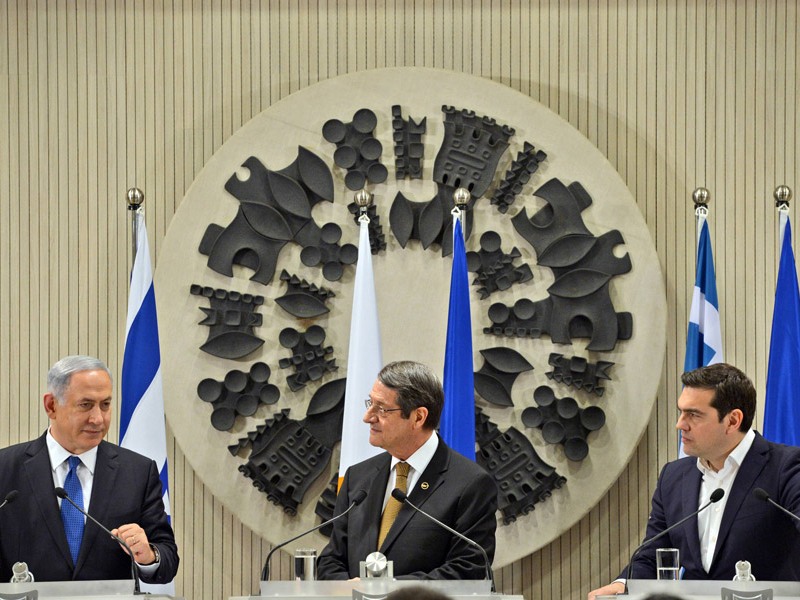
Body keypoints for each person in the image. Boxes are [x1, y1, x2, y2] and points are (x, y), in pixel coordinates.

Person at [588, 363, 800, 599]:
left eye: (693, 415)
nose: (680, 424)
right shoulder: (674, 476)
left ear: (732, 421)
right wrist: (624, 585)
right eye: (681, 412)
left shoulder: (785, 467)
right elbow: (653, 553)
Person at [0, 355, 179, 583]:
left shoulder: (137, 472)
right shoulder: (5, 470)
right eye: (86, 405)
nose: (98, 419)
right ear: (51, 405)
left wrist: (148, 555)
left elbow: (167, 559)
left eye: (105, 405)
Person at [317, 361, 498, 580]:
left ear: (418, 417)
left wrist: (386, 592)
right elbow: (331, 560)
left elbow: (468, 569)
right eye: (370, 403)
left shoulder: (471, 484)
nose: (367, 417)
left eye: (382, 409)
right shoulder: (358, 477)